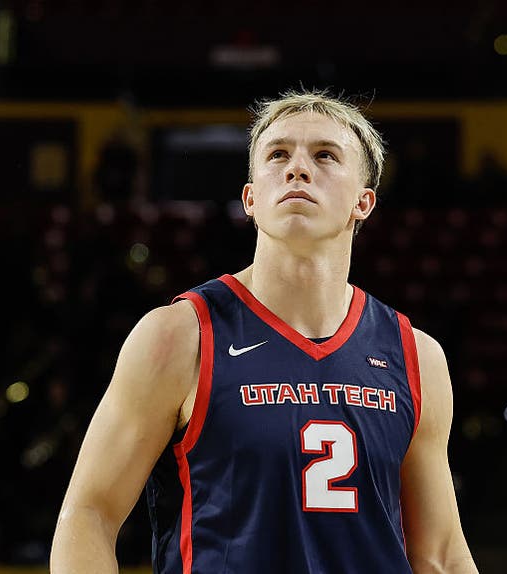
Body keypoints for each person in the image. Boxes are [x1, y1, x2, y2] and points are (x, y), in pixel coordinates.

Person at [51, 89, 478, 573]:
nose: (297, 168)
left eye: (325, 155)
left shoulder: (415, 356)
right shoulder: (179, 336)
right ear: (251, 199)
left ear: (364, 202)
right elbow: (89, 514)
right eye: (278, 154)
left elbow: (441, 555)